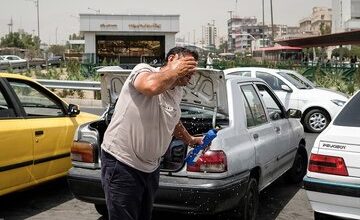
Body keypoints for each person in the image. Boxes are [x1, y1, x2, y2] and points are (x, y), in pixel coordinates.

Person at [100, 47, 203, 220]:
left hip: (150, 169)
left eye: (193, 68)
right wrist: (175, 71)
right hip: (122, 164)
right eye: (187, 65)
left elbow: (170, 118)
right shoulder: (143, 71)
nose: (191, 71)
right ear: (172, 59)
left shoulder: (177, 91)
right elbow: (151, 86)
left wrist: (189, 139)